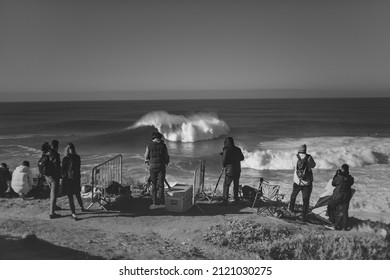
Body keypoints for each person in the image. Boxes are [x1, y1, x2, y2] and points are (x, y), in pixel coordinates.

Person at [289, 144, 316, 222]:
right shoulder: (309, 157)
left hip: (297, 181)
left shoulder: (295, 157)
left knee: (293, 195)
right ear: (305, 150)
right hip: (307, 183)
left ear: (299, 150)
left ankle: (291, 209)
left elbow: (293, 166)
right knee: (306, 199)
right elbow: (313, 165)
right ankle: (304, 216)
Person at [144, 131, 170, 208]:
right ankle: (161, 200)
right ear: (160, 138)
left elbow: (146, 156)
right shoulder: (163, 146)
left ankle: (154, 201)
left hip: (152, 166)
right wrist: (166, 162)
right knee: (161, 183)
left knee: (154, 183)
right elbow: (166, 156)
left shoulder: (149, 145)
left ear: (153, 138)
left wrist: (147, 160)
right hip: (161, 166)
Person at [327, 164, 354, 230]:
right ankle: (345, 227)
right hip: (346, 197)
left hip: (338, 196)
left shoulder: (339, 177)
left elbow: (333, 183)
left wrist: (336, 174)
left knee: (330, 207)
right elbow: (351, 183)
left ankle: (333, 223)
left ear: (342, 169)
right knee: (345, 212)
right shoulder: (350, 178)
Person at [62, 143, 85, 221]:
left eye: (72, 148)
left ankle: (82, 207)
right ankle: (73, 213)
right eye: (70, 148)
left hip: (74, 178)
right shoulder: (67, 158)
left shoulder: (75, 157)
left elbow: (77, 168)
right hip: (69, 179)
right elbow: (63, 170)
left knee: (77, 194)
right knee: (71, 197)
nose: (71, 150)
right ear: (68, 149)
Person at [39, 142, 61, 219]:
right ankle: (52, 213)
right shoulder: (55, 154)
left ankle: (54, 206)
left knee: (52, 191)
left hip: (46, 175)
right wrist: (60, 176)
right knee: (54, 193)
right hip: (53, 176)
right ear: (56, 147)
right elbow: (57, 167)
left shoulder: (46, 153)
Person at [220, 137, 244, 206]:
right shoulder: (238, 149)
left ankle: (225, 201)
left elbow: (224, 160)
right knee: (236, 185)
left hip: (230, 171)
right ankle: (236, 200)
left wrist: (224, 165)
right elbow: (242, 158)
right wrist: (235, 158)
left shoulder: (226, 149)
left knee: (226, 185)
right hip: (237, 170)